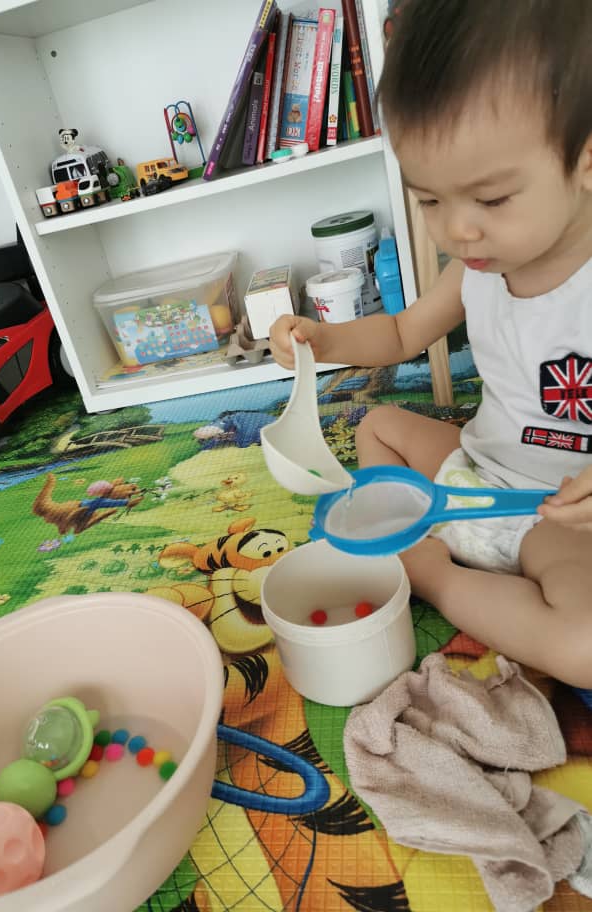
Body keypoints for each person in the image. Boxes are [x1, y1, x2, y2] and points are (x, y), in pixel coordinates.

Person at [270, 0, 592, 692]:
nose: (458, 233)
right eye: (431, 202)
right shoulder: (475, 270)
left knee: (586, 644)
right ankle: (433, 540)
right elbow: (399, 333)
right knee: (379, 424)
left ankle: (434, 577)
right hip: (474, 475)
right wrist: (320, 340)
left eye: (492, 200)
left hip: (559, 519)